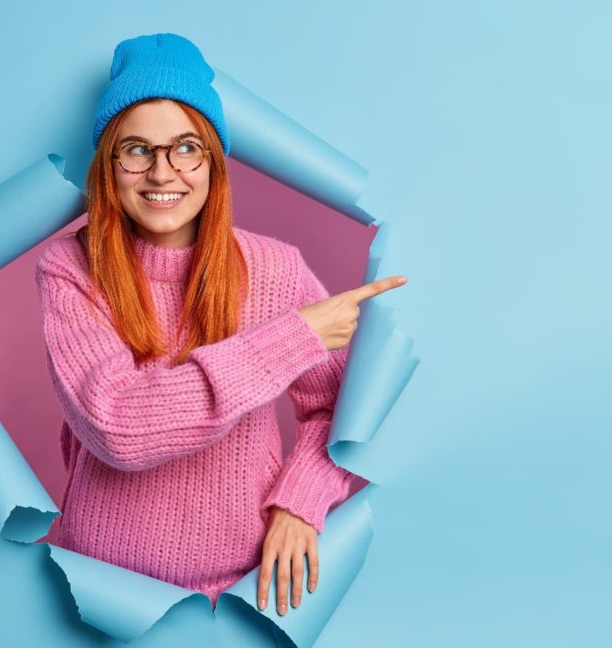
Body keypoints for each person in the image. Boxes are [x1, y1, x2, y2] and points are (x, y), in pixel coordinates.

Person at [34, 33, 407, 616]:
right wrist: (290, 341)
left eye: (186, 147)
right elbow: (118, 426)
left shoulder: (276, 270)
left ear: (213, 160)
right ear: (109, 164)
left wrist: (300, 501)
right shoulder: (70, 269)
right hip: (94, 589)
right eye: (137, 149)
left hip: (242, 594)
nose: (163, 172)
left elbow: (341, 412)